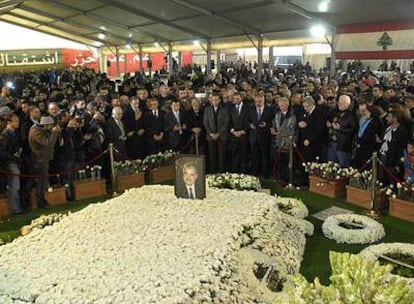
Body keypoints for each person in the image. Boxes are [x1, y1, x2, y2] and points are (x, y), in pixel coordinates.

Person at [28, 116, 60, 209]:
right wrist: (54, 133)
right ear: (46, 125)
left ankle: (41, 201)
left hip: (43, 159)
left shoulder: (40, 130)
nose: (51, 127)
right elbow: (49, 143)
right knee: (40, 183)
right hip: (39, 160)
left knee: (42, 182)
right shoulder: (35, 131)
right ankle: (40, 203)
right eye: (50, 126)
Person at [0, 114, 24, 213]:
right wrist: (15, 158)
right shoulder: (5, 135)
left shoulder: (14, 133)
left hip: (14, 162)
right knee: (13, 186)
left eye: (18, 121)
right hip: (9, 163)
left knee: (16, 186)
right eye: (15, 121)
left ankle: (18, 207)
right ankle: (16, 209)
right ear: (9, 122)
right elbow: (2, 152)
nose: (17, 123)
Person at [271, 97, 297, 183]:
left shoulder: (292, 115)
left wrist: (279, 133)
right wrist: (273, 130)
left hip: (288, 143)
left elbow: (292, 129)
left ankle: (288, 179)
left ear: (287, 105)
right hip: (278, 143)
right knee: (279, 162)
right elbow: (274, 124)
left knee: (288, 162)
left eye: (283, 105)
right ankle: (280, 177)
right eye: (280, 105)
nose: (281, 106)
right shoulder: (277, 114)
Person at [203, 93, 229, 173]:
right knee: (212, 156)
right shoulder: (207, 109)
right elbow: (205, 122)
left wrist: (218, 134)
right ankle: (212, 173)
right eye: (213, 100)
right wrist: (211, 134)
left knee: (222, 156)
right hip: (210, 136)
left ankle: (221, 173)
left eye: (216, 100)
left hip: (222, 136)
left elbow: (226, 123)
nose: (214, 101)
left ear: (220, 100)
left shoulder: (224, 109)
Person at [353, 102, 383, 168]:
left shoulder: (376, 121)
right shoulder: (363, 119)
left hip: (369, 150)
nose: (362, 113)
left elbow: (374, 135)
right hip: (360, 148)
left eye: (364, 111)